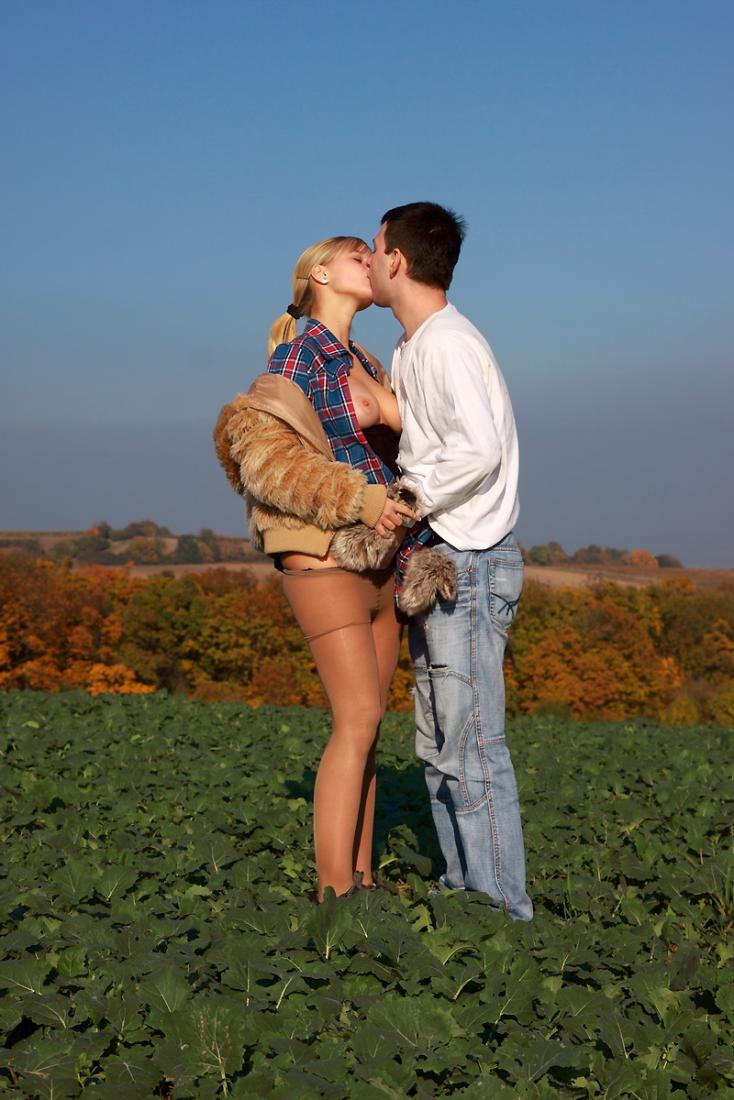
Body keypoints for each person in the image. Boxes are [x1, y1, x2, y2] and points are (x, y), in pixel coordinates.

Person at [214, 236, 416, 902]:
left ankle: (363, 881)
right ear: (321, 274)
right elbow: (276, 464)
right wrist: (364, 502)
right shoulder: (298, 357)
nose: (371, 261)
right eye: (357, 253)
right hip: (327, 558)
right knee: (355, 720)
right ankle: (334, 897)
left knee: (371, 726)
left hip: (383, 560)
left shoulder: (368, 360)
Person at [367, 202, 533, 921]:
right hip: (438, 561)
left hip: (469, 559)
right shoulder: (413, 347)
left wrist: (409, 498)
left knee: (471, 747)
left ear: (397, 261)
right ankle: (464, 892)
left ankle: (501, 910)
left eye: (374, 248)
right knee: (439, 748)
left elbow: (479, 449)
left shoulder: (448, 344)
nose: (369, 260)